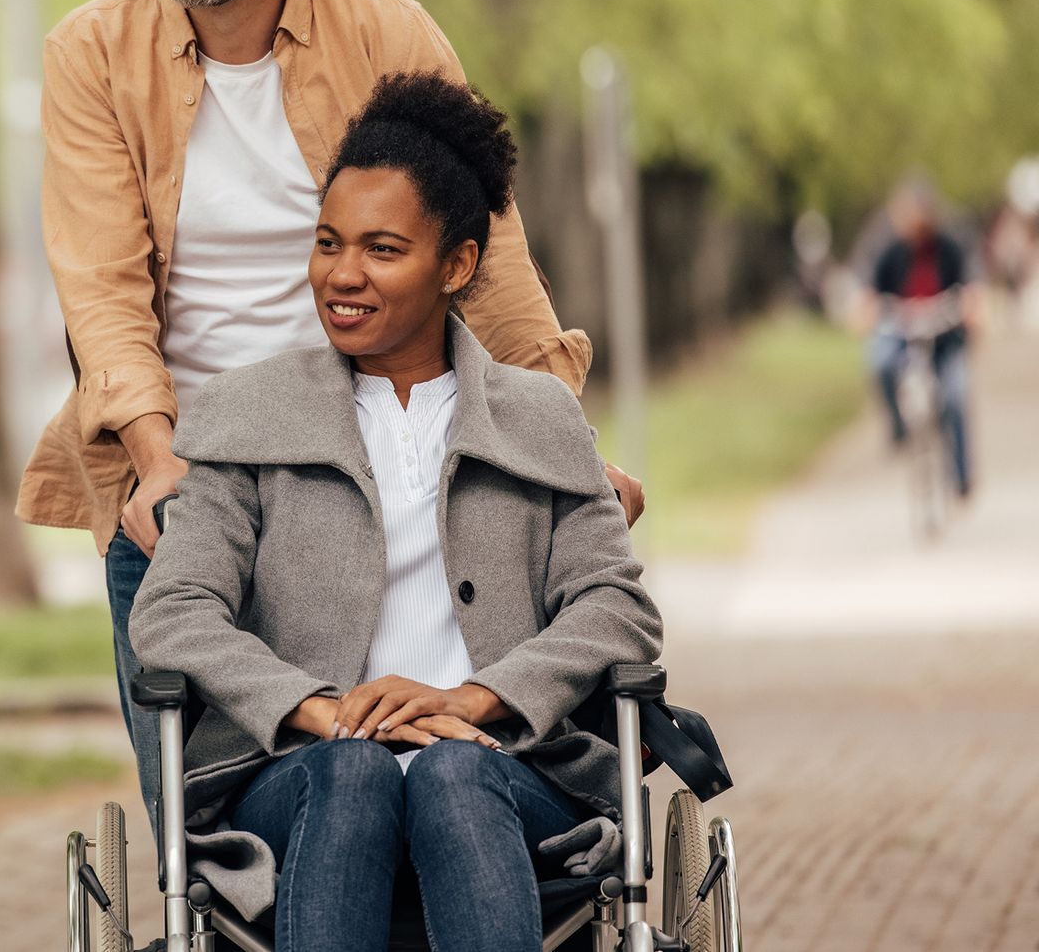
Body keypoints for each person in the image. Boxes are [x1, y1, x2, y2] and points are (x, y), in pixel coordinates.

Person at [15, 0, 642, 826]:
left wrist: (560, 443)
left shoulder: (388, 32)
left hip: (377, 459)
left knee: (424, 770)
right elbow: (101, 285)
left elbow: (489, 261)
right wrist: (163, 459)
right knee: (201, 837)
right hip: (189, 478)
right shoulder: (92, 53)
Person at [129, 74, 662, 952]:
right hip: (300, 769)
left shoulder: (539, 417)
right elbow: (174, 610)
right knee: (355, 774)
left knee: (451, 773)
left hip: (501, 766)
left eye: (381, 249)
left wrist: (474, 699)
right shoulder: (248, 413)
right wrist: (324, 711)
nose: (342, 274)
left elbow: (616, 608)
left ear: (455, 264)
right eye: (328, 242)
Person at [862, 181, 978, 496]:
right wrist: (873, 312)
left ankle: (961, 473)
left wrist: (969, 311)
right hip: (903, 331)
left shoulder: (949, 249)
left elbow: (970, 290)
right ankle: (898, 425)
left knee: (955, 395)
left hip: (944, 335)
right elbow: (870, 294)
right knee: (880, 361)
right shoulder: (891, 252)